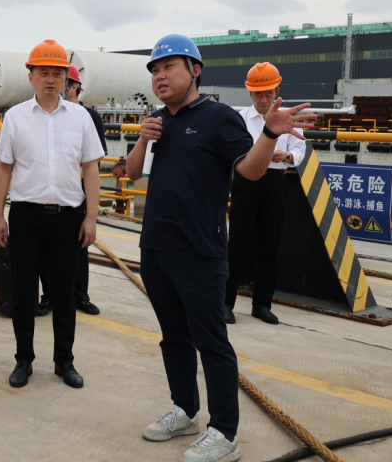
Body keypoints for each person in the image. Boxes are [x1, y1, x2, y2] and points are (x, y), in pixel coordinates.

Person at [125, 34, 314, 462]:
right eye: (155, 70)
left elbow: (250, 170)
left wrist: (270, 132)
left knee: (211, 341)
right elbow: (133, 173)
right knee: (173, 336)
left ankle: (225, 432)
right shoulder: (158, 120)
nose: (160, 76)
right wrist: (142, 138)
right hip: (155, 246)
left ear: (195, 70)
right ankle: (185, 410)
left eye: (169, 67)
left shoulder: (219, 118)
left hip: (199, 250)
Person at [0, 40, 104, 391]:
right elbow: (4, 168)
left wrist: (90, 218)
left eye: (58, 73)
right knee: (24, 291)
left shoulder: (81, 118)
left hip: (69, 218)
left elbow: (91, 168)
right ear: (31, 76)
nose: (51, 79)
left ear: (67, 79)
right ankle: (23, 359)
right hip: (26, 216)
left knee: (64, 294)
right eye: (44, 73)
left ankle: (64, 361)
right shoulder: (16, 117)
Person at [225, 63, 304, 326]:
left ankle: (262, 305)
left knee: (270, 246)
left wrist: (287, 156)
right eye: (258, 94)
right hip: (245, 184)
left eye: (268, 94)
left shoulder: (287, 118)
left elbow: (299, 150)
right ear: (250, 93)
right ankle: (225, 303)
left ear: (276, 92)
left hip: (275, 184)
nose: (263, 99)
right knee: (237, 243)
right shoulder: (240, 119)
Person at [38, 64, 106, 317]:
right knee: (45, 249)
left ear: (73, 86)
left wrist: (70, 178)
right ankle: (49, 296)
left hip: (77, 194)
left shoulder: (89, 117)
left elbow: (94, 159)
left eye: (61, 79)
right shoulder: (46, 115)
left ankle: (80, 296)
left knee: (79, 247)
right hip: (48, 194)